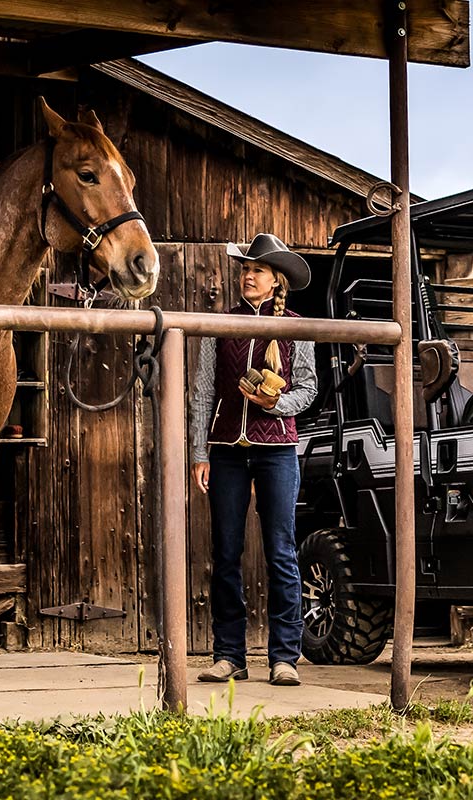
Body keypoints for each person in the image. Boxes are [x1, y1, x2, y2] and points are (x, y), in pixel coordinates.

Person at [189, 233, 317, 686]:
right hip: (225, 450)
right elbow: (204, 389)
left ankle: (285, 656)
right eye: (245, 269)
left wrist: (273, 407)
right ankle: (230, 655)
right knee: (226, 553)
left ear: (275, 280)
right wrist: (199, 451)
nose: (248, 276)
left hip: (278, 448)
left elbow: (307, 388)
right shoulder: (222, 324)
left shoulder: (298, 325)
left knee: (281, 551)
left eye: (257, 270)